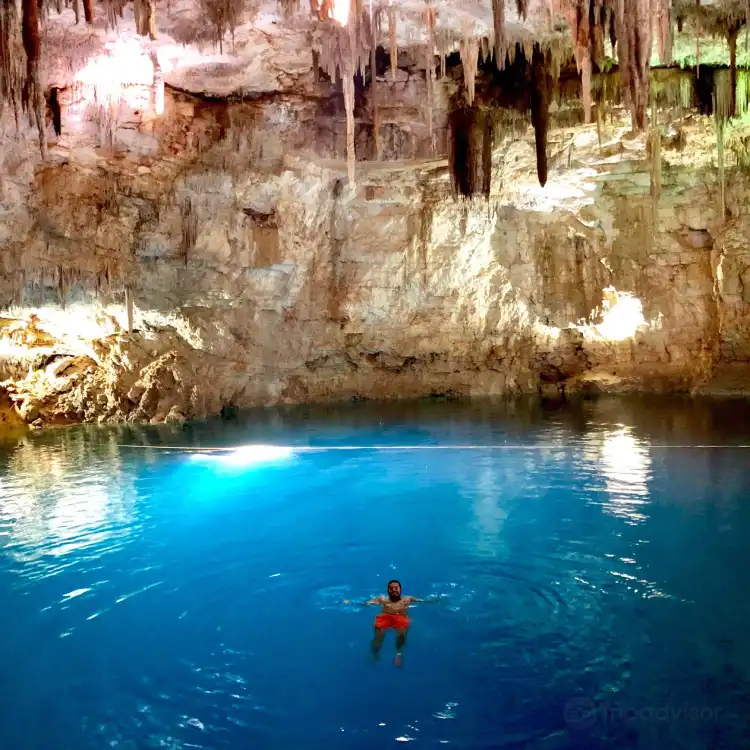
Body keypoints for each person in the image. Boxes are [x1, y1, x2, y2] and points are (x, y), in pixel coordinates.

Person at [344, 580, 431, 667]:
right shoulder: (382, 599)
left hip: (401, 617)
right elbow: (365, 603)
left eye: (396, 588)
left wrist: (437, 600)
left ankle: (398, 653)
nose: (394, 590)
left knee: (402, 633)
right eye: (391, 588)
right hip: (385, 617)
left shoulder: (408, 599)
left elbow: (425, 601)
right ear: (388, 591)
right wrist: (351, 602)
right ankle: (374, 654)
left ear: (400, 589)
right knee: (378, 639)